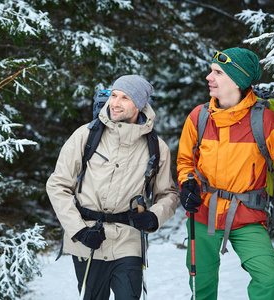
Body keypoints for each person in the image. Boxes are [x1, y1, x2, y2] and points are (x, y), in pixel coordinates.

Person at [176, 47, 274, 300]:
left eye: (217, 72)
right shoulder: (199, 117)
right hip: (204, 212)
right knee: (201, 285)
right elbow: (185, 162)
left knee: (267, 280)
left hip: (247, 215)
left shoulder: (265, 120)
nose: (209, 77)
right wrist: (186, 184)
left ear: (237, 80)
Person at [47, 75, 179, 299]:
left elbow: (168, 194)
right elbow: (58, 185)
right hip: (89, 238)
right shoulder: (86, 135)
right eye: (114, 95)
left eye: (124, 98)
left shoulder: (156, 146)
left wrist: (154, 217)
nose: (115, 103)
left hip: (128, 240)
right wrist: (79, 231)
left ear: (138, 105)